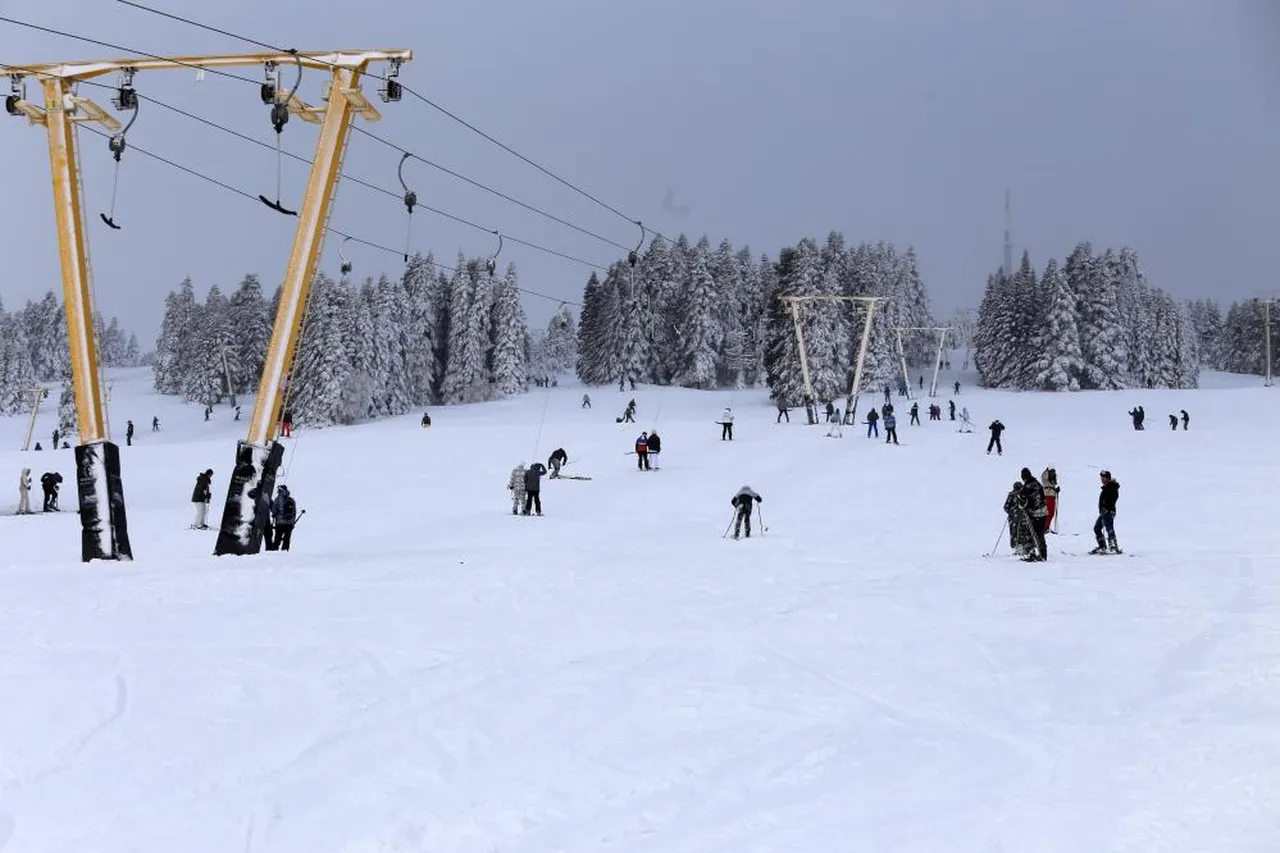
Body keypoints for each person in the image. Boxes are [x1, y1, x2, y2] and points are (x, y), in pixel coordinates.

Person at [1017, 467, 1048, 561]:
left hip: (1034, 514)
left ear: (1023, 477)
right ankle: (1043, 554)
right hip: (1043, 512)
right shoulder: (1037, 484)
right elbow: (1043, 496)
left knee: (1030, 533)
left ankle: (1031, 552)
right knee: (1040, 534)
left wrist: (1021, 503)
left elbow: (1023, 502)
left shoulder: (1026, 487)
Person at [1090, 470, 1121, 554]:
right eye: (1101, 478)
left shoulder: (1112, 487)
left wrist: (1106, 507)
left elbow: (1114, 498)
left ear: (1108, 478)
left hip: (1109, 511)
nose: (1102, 479)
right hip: (1103, 512)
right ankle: (1102, 546)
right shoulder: (1107, 487)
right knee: (1097, 528)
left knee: (1109, 528)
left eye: (1103, 478)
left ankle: (1113, 546)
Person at [1003, 481, 1034, 558]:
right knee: (1025, 533)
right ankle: (1027, 548)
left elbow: (1006, 507)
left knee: (1014, 533)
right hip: (1024, 518)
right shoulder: (1025, 495)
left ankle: (1018, 548)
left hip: (1014, 518)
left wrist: (1011, 511)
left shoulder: (1011, 495)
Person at [268, 485, 297, 551]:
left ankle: (275, 550)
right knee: (287, 538)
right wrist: (292, 522)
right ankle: (285, 550)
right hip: (289, 523)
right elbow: (294, 512)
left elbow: (274, 510)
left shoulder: (277, 499)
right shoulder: (291, 500)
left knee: (277, 538)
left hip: (280, 523)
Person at [1040, 466, 1060, 532]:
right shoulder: (1045, 475)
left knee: (1051, 513)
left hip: (1051, 496)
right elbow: (1046, 479)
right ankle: (1045, 528)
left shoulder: (1049, 477)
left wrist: (1055, 490)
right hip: (1048, 496)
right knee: (1049, 513)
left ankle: (1046, 527)